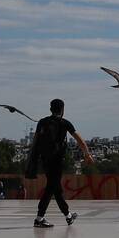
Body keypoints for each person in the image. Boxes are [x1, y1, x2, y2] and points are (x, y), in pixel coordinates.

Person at [26, 98, 92, 228]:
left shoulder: (42, 122)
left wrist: (32, 159)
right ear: (62, 110)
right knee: (51, 188)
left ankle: (68, 216)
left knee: (55, 188)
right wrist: (87, 154)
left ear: (50, 109)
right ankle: (39, 218)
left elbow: (35, 142)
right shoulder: (65, 123)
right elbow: (80, 141)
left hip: (45, 160)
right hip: (57, 161)